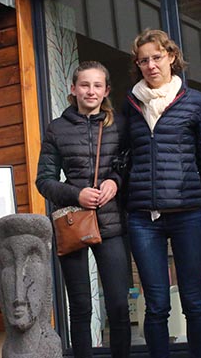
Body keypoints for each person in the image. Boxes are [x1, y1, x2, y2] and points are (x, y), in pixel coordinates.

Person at [123, 29, 201, 358]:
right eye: (143, 60)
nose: (150, 65)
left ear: (172, 57)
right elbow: (123, 157)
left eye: (156, 57)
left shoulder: (195, 102)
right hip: (142, 218)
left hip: (189, 213)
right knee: (156, 305)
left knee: (194, 301)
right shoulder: (131, 104)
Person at [36, 61, 131, 357]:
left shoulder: (120, 125)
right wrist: (77, 194)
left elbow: (130, 166)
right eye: (85, 85)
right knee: (80, 306)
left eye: (97, 85)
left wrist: (115, 181)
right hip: (73, 224)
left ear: (106, 91)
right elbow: (44, 181)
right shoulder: (57, 128)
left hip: (112, 224)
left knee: (118, 304)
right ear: (73, 89)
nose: (91, 91)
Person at [0, 214, 62, 358]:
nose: (19, 295)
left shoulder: (50, 348)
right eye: (8, 262)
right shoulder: (7, 349)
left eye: (32, 261)